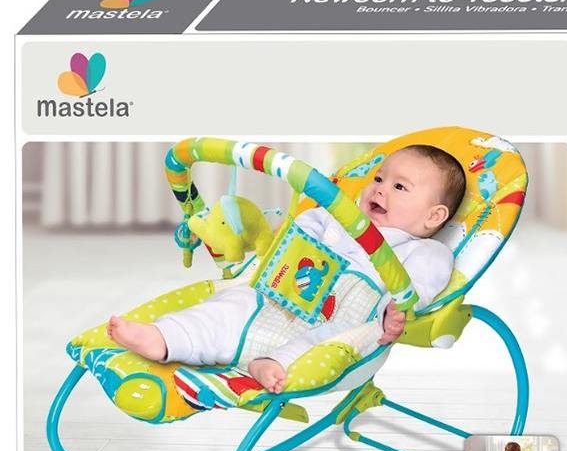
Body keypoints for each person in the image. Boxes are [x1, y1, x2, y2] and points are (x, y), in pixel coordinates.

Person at [108, 144, 465, 393]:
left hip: (345, 315)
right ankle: (166, 337)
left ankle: (271, 363)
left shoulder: (426, 251)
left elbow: (414, 289)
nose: (380, 190)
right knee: (232, 305)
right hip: (283, 294)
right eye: (378, 179)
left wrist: (395, 311)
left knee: (332, 339)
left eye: (399, 187)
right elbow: (296, 234)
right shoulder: (334, 218)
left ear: (434, 216)